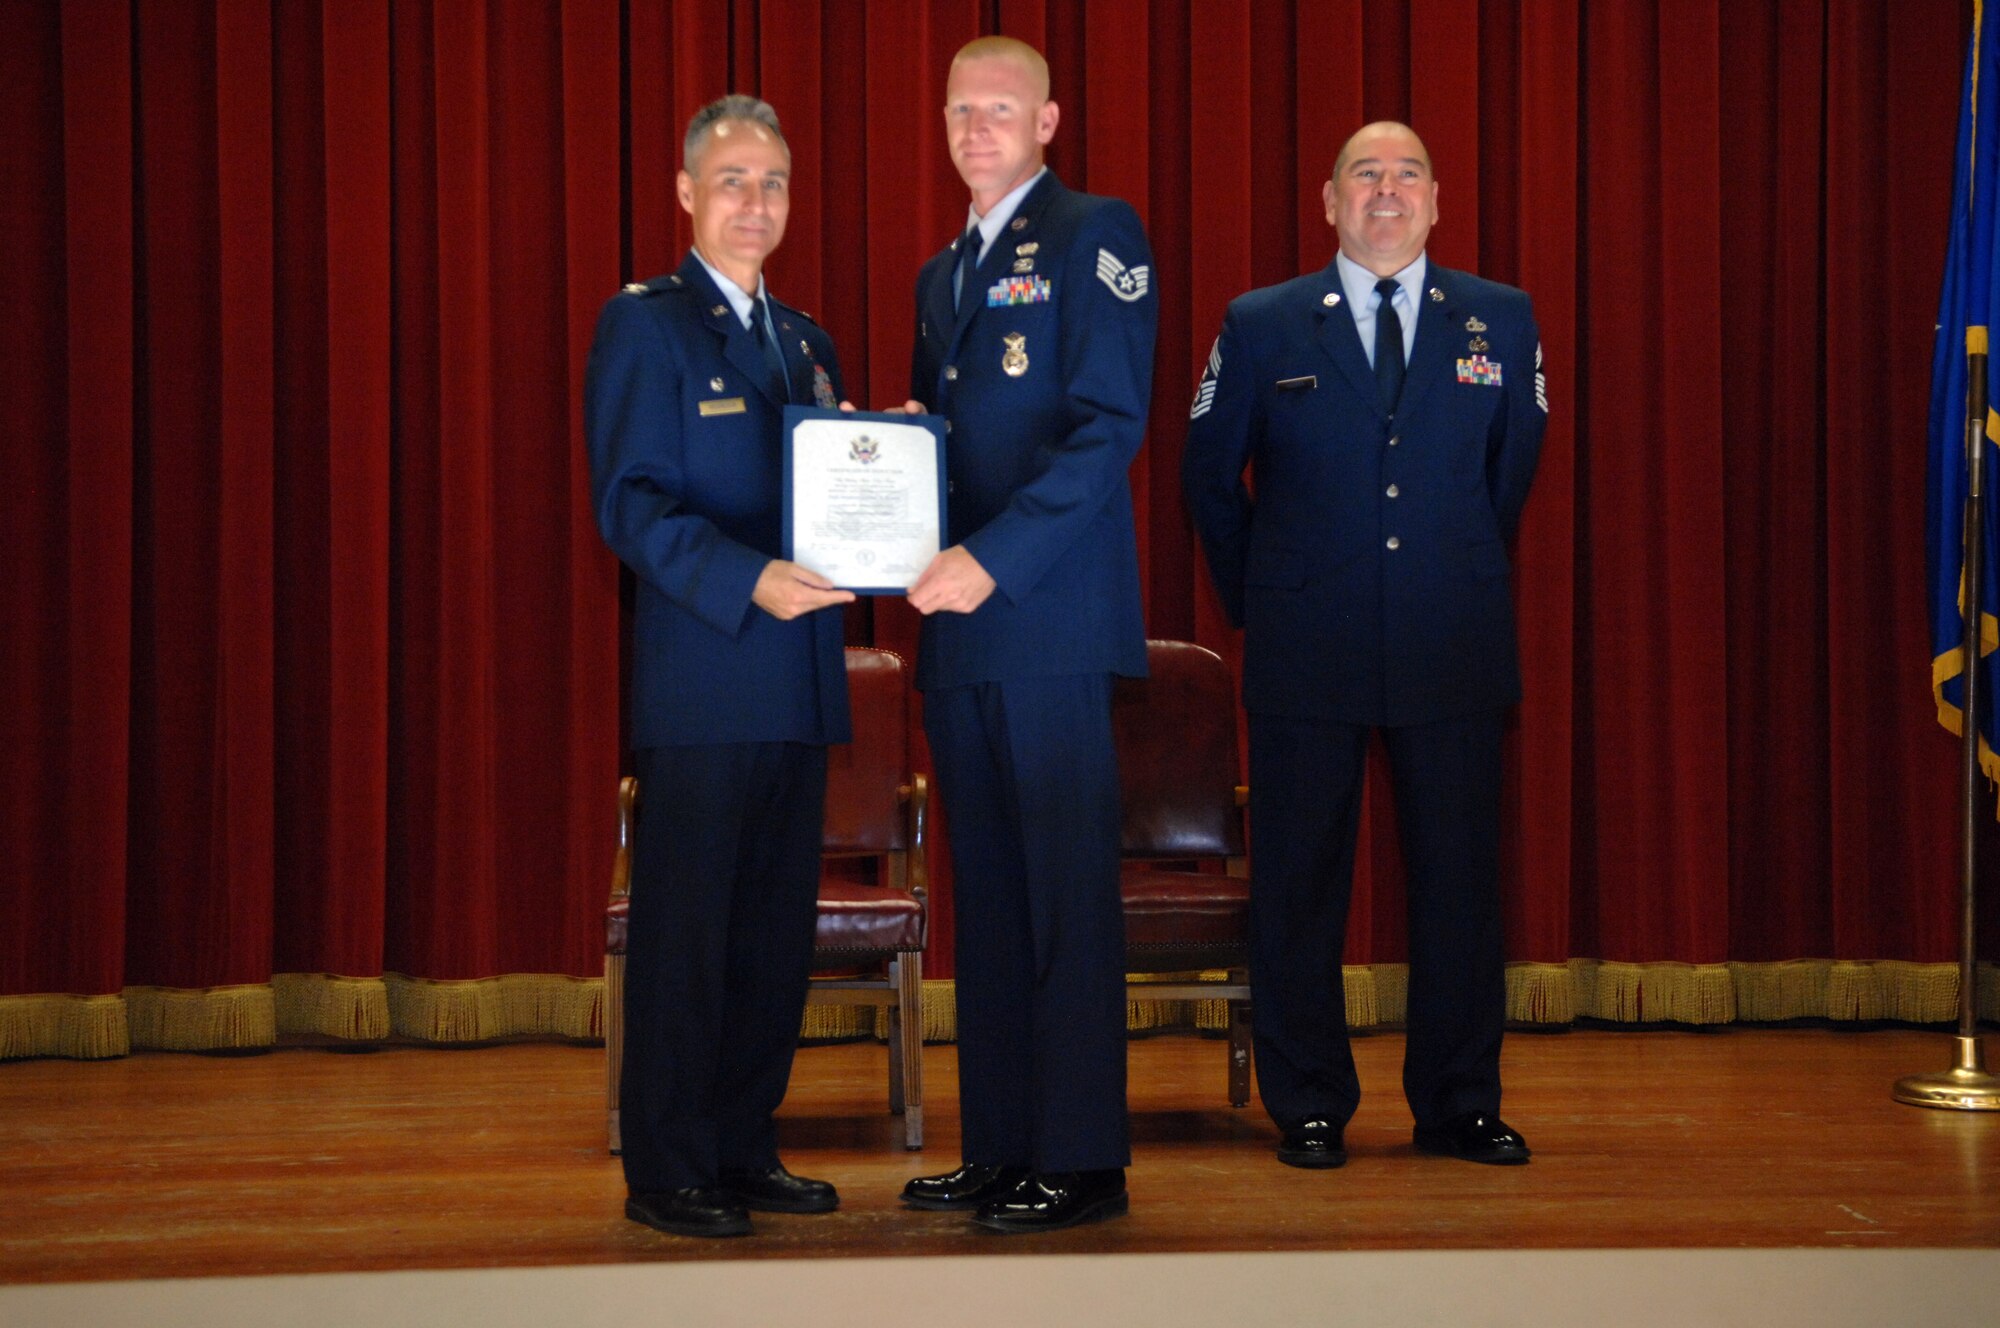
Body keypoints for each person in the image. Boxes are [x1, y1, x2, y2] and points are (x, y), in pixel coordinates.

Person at [1182, 121, 1547, 1170]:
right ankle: (1306, 1100)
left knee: (1459, 883)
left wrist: (1440, 561)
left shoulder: (1500, 318)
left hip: (1451, 641)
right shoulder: (1260, 323)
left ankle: (1457, 1101)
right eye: (1362, 175)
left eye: (1405, 175)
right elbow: (1210, 476)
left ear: (1435, 200)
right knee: (1299, 883)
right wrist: (1265, 591)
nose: (1384, 192)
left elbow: (1506, 473)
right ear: (1328, 200)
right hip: (1307, 642)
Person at [895, 36, 1157, 1233]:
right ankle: (1001, 1143)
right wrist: (898, 459)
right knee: (991, 901)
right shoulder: (941, 274)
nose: (977, 126)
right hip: (959, 631)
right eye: (960, 109)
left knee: (1061, 896)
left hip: (1045, 617)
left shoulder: (1096, 233)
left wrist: (989, 555)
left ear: (1048, 119)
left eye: (1000, 107)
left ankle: (1083, 1157)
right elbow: (952, 442)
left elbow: (1106, 429)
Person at [584, 95, 855, 1238]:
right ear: (687, 193)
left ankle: (744, 1143)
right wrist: (745, 576)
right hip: (703, 679)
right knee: (689, 934)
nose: (757, 202)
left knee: (770, 935)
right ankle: (668, 1165)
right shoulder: (644, 325)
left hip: (796, 683)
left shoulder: (805, 340)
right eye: (735, 180)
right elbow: (629, 505)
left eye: (776, 182)